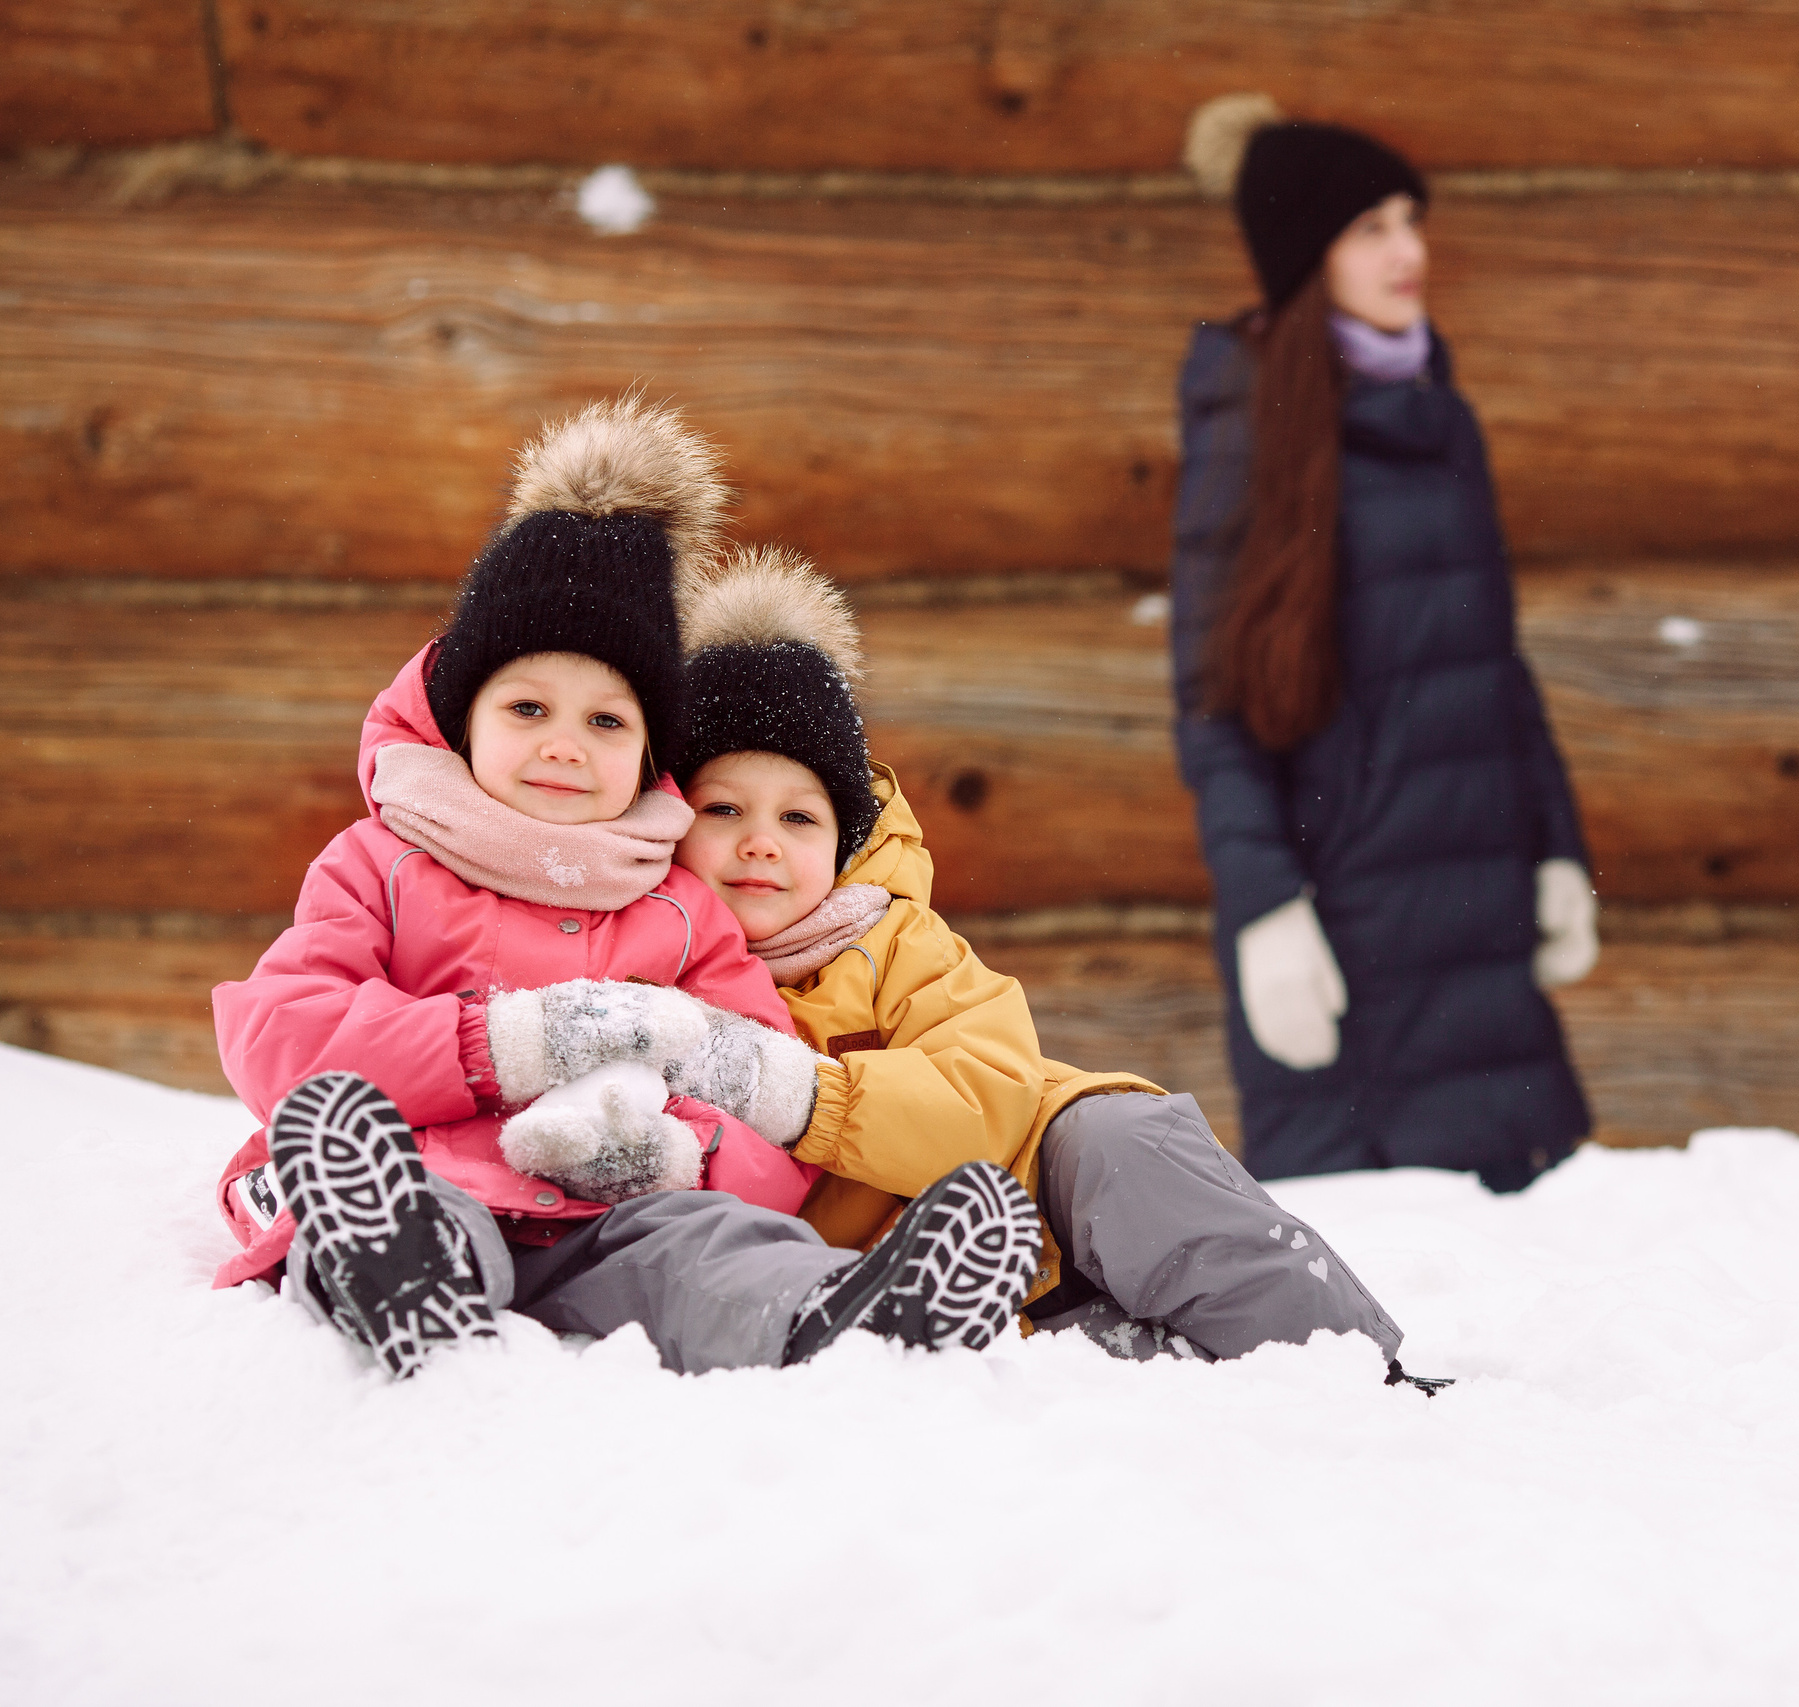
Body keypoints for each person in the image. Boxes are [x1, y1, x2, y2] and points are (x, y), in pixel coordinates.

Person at [208, 397, 1041, 1379]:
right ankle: (390, 1273)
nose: (565, 743)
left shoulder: (680, 909)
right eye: (527, 707)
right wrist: (498, 1047)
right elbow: (284, 1037)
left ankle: (843, 1315)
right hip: (432, 1181)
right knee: (427, 1219)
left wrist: (666, 1146)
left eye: (608, 722)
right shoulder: (381, 866)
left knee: (707, 1247)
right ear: (459, 723)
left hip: (612, 1217)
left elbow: (767, 1106)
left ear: (651, 754)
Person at [657, 545, 1434, 1383]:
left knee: (1123, 1141)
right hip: (928, 1277)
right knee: (1110, 1375)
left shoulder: (894, 944)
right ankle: (1176, 1373)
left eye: (800, 817)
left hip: (1034, 1186)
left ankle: (1357, 1369)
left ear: (845, 843)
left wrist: (809, 1097)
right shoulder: (647, 960)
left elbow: (982, 1099)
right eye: (724, 808)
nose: (761, 840)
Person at [1169, 120, 1597, 1196]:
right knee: (1377, 1288)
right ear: (1310, 257)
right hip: (1344, 928)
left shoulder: (1438, 420)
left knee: (1520, 1271)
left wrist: (1555, 848)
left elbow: (1493, 665)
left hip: (1479, 920)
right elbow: (1213, 707)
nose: (1408, 250)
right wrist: (1265, 909)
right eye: (1370, 228)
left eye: (1411, 221)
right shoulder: (1253, 426)